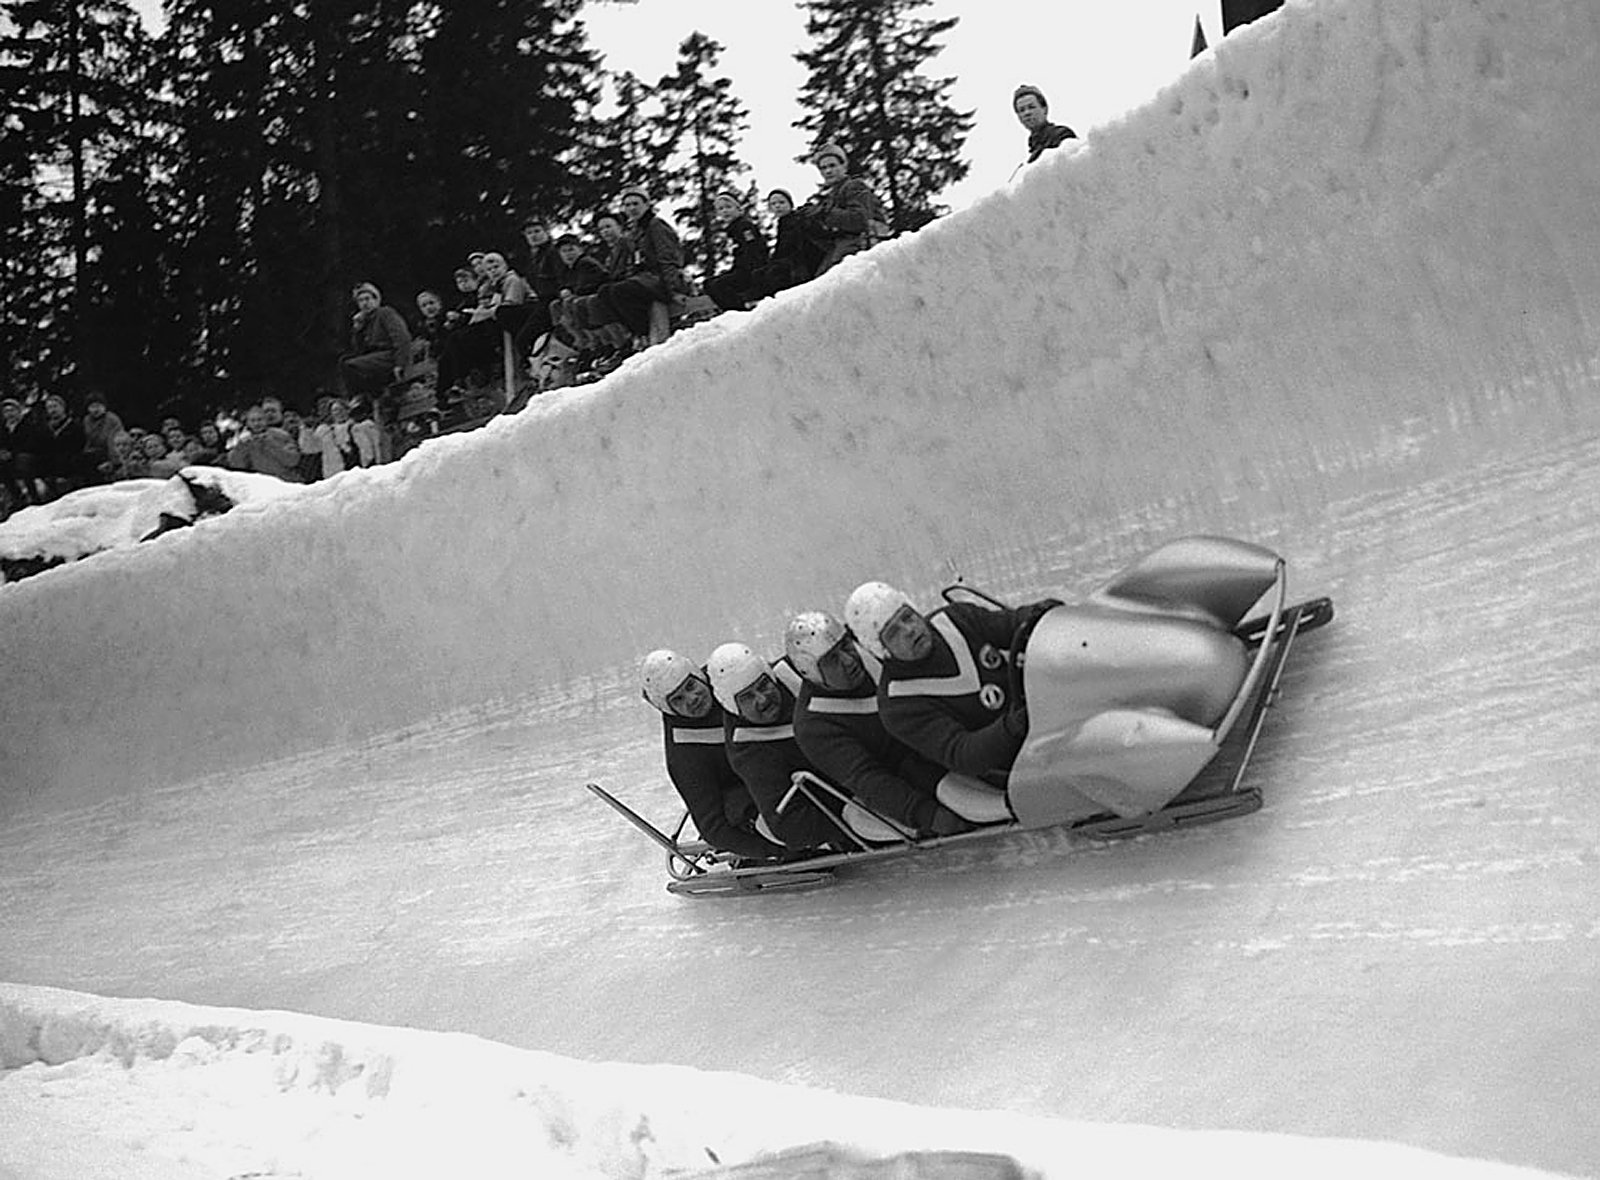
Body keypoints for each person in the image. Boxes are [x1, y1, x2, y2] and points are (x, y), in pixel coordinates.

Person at [844, 581, 1061, 785]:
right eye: (893, 633)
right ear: (882, 651)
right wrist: (1015, 725)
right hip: (1015, 764)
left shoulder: (956, 619)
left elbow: (1012, 625)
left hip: (1047, 712)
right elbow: (963, 753)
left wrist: (1042, 615)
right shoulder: (898, 705)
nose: (908, 630)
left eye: (908, 617)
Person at [787, 611, 976, 839]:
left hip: (943, 739)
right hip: (906, 780)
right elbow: (867, 779)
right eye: (832, 660)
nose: (849, 660)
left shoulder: (878, 646)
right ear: (812, 672)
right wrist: (928, 816)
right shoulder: (813, 726)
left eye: (845, 646)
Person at [639, 649, 789, 862]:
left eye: (691, 686)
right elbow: (713, 827)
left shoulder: (727, 677)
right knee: (736, 804)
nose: (692, 699)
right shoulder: (684, 753)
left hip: (778, 766)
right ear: (668, 708)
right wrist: (773, 850)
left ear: (700, 676)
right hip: (747, 797)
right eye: (679, 699)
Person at [704, 641, 847, 853]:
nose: (762, 699)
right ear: (734, 707)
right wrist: (844, 827)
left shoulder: (795, 673)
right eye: (747, 697)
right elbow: (786, 822)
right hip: (843, 798)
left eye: (764, 685)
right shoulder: (747, 750)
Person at [594, 186, 688, 344]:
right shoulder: (635, 231)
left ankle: (642, 332)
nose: (632, 208)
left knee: (620, 290)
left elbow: (668, 259)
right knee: (605, 292)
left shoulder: (656, 226)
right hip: (643, 279)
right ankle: (635, 333)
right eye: (627, 205)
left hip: (660, 280)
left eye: (636, 204)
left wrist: (674, 290)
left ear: (646, 204)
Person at [798, 143, 890, 276]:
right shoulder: (833, 197)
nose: (828, 171)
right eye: (823, 168)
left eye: (832, 165)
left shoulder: (854, 186)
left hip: (862, 251)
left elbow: (859, 220)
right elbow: (833, 238)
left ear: (844, 166)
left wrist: (824, 213)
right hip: (842, 253)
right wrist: (811, 224)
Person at [340, 282, 413, 399]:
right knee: (345, 361)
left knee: (350, 365)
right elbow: (359, 351)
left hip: (389, 355)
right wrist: (357, 329)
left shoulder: (385, 313)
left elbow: (401, 338)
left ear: (375, 299)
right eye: (361, 301)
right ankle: (368, 396)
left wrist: (401, 363)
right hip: (374, 359)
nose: (365, 303)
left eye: (367, 299)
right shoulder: (365, 321)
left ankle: (363, 398)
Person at [703, 191, 770, 313]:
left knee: (719, 285)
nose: (725, 211)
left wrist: (755, 271)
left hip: (752, 270)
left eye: (728, 207)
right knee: (709, 283)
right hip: (740, 269)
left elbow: (754, 249)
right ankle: (731, 311)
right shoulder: (732, 229)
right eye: (721, 209)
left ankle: (739, 312)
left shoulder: (744, 226)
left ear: (738, 209)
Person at [753, 188, 824, 299]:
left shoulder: (797, 220)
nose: (777, 206)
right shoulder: (782, 223)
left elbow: (796, 247)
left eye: (781, 202)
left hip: (801, 265)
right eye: (773, 204)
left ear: (790, 204)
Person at [223, 404, 304, 482]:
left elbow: (293, 461)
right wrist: (241, 447)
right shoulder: (243, 440)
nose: (256, 424)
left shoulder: (281, 435)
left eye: (259, 420)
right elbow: (236, 466)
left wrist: (271, 444)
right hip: (259, 483)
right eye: (253, 421)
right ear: (248, 423)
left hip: (285, 480)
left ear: (266, 420)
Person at [1013, 84, 1077, 165]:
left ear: (1044, 109)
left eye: (1031, 107)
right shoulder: (1030, 156)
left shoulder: (1061, 135)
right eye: (1022, 110)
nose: (1027, 113)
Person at [80, 392, 125, 474]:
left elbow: (114, 441)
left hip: (110, 456)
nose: (96, 409)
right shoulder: (86, 420)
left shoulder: (112, 419)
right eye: (92, 407)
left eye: (98, 406)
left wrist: (113, 462)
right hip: (92, 456)